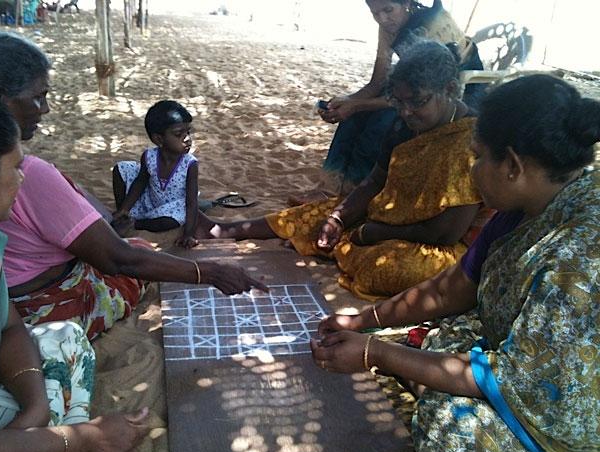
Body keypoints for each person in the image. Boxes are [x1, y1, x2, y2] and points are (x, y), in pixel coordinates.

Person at [311, 74, 600, 452]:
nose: (473, 169)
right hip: (520, 358)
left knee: (454, 435)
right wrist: (363, 321)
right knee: (442, 335)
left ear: (513, 165)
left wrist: (374, 353)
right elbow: (455, 288)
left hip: (566, 411)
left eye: (478, 157)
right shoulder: (530, 203)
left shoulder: (579, 255)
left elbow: (518, 380)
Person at [0, 32, 266, 341]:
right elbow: (117, 258)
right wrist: (210, 273)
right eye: (38, 97)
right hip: (44, 306)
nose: (46, 108)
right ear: (0, 99)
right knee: (138, 254)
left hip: (7, 298)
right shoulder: (26, 174)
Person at [197, 41, 486, 301]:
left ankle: (346, 245)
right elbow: (374, 182)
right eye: (399, 102)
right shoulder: (404, 125)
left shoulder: (469, 141)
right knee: (314, 214)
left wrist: (374, 233)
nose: (406, 111)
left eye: (417, 101)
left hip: (436, 245)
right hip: (384, 219)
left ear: (449, 89)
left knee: (392, 268)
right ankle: (222, 229)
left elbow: (445, 233)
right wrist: (338, 219)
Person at [0, 83, 149, 452]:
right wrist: (82, 439)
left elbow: (11, 326)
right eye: (15, 168)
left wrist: (34, 409)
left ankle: (37, 442)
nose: (21, 181)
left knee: (66, 338)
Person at [315, 0, 484, 192]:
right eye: (375, 13)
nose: (382, 19)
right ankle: (329, 186)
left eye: (388, 10)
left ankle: (355, 188)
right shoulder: (388, 27)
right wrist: (349, 101)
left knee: (382, 123)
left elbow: (416, 95)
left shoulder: (428, 28)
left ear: (406, 4)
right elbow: (377, 82)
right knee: (352, 117)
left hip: (454, 87)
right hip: (415, 88)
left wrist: (357, 105)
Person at [112, 100, 199, 247]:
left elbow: (191, 203)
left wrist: (189, 234)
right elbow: (140, 182)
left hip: (173, 207)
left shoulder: (190, 164)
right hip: (150, 200)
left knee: (168, 222)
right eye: (179, 134)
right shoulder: (149, 156)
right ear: (159, 139)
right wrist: (124, 209)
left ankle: (136, 223)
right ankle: (125, 217)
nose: (187, 139)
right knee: (121, 169)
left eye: (188, 132)